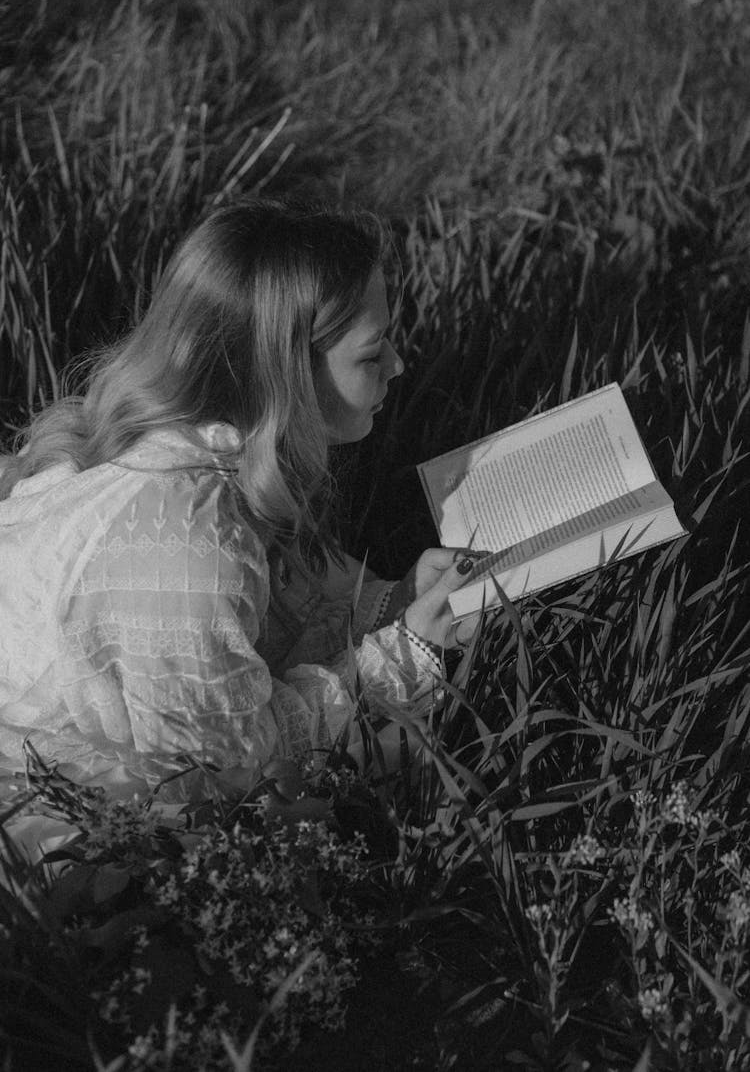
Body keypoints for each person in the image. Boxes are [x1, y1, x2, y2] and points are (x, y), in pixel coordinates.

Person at [0, 198, 482, 823]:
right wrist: (410, 652)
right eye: (372, 353)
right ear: (287, 374)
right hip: (49, 805)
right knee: (405, 760)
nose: (399, 364)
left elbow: (273, 619)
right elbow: (224, 773)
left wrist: (396, 601)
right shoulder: (187, 541)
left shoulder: (199, 451)